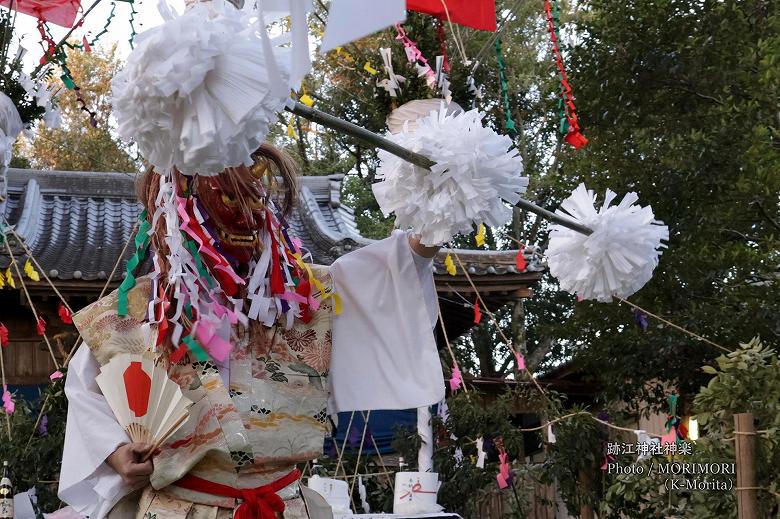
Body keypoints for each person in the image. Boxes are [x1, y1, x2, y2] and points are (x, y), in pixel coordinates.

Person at [58, 144, 445, 519]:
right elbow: (85, 391)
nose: (245, 219)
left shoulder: (302, 298)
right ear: (179, 214)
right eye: (227, 202)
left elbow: (392, 273)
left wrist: (439, 207)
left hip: (284, 505)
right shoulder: (135, 310)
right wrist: (116, 452)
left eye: (254, 201)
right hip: (182, 507)